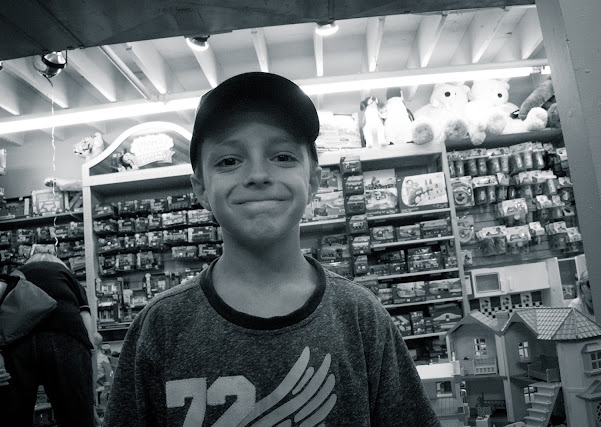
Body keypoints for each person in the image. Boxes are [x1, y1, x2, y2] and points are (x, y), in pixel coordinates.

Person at [104, 72, 441, 426]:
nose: (258, 174)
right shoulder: (159, 327)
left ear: (313, 180)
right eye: (229, 161)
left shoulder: (360, 318)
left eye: (282, 156)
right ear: (200, 188)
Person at [0, 251, 95, 426]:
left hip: (18, 341)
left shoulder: (16, 275)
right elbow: (86, 320)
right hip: (65, 337)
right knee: (76, 416)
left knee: (14, 415)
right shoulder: (67, 276)